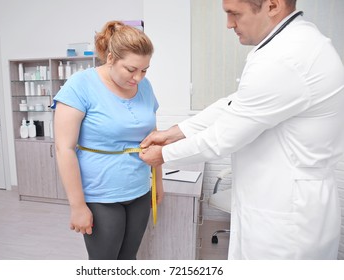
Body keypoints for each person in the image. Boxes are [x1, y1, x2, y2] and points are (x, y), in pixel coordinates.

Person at [139, 0, 344, 260]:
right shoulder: (291, 45)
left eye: (234, 14)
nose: (228, 24)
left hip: (286, 215)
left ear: (272, 5)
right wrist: (175, 132)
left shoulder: (287, 58)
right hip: (281, 201)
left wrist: (163, 155)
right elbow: (235, 104)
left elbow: (222, 138)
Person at [53, 20, 164, 260]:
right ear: (111, 58)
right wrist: (77, 206)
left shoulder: (145, 87)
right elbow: (64, 149)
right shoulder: (80, 86)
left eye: (144, 70)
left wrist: (158, 183)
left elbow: (153, 139)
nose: (138, 77)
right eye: (131, 69)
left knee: (128, 260)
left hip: (140, 190)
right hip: (101, 195)